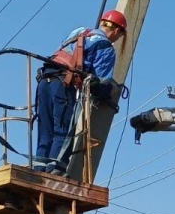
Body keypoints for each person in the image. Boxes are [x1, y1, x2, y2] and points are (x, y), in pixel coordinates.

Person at [34, 9, 127, 174]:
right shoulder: (104, 46)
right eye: (119, 36)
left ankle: (39, 168)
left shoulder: (79, 32)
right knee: (62, 129)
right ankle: (55, 172)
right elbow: (99, 83)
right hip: (64, 84)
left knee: (45, 127)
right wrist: (110, 91)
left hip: (44, 79)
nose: (116, 39)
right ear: (117, 30)